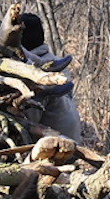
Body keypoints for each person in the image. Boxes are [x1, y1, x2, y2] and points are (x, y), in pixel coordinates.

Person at [21, 13, 83, 144]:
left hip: (58, 146)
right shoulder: (55, 61)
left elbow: (29, 121)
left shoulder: (37, 72)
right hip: (73, 139)